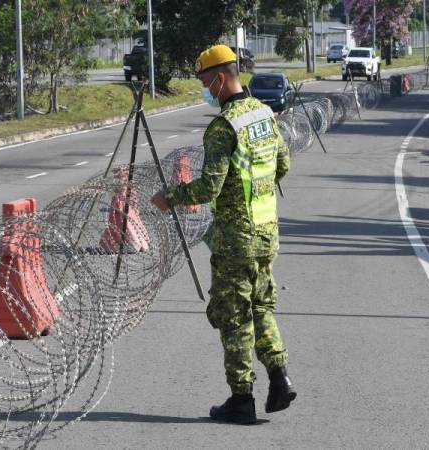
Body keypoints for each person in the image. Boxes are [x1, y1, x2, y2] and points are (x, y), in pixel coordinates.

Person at [151, 44, 296, 425]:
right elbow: (282, 164)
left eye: (203, 81)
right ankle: (279, 376)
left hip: (236, 239)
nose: (204, 89)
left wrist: (171, 197)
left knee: (233, 318)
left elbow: (208, 188)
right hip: (267, 232)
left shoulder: (224, 126)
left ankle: (241, 398)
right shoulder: (263, 114)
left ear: (219, 78)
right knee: (262, 307)